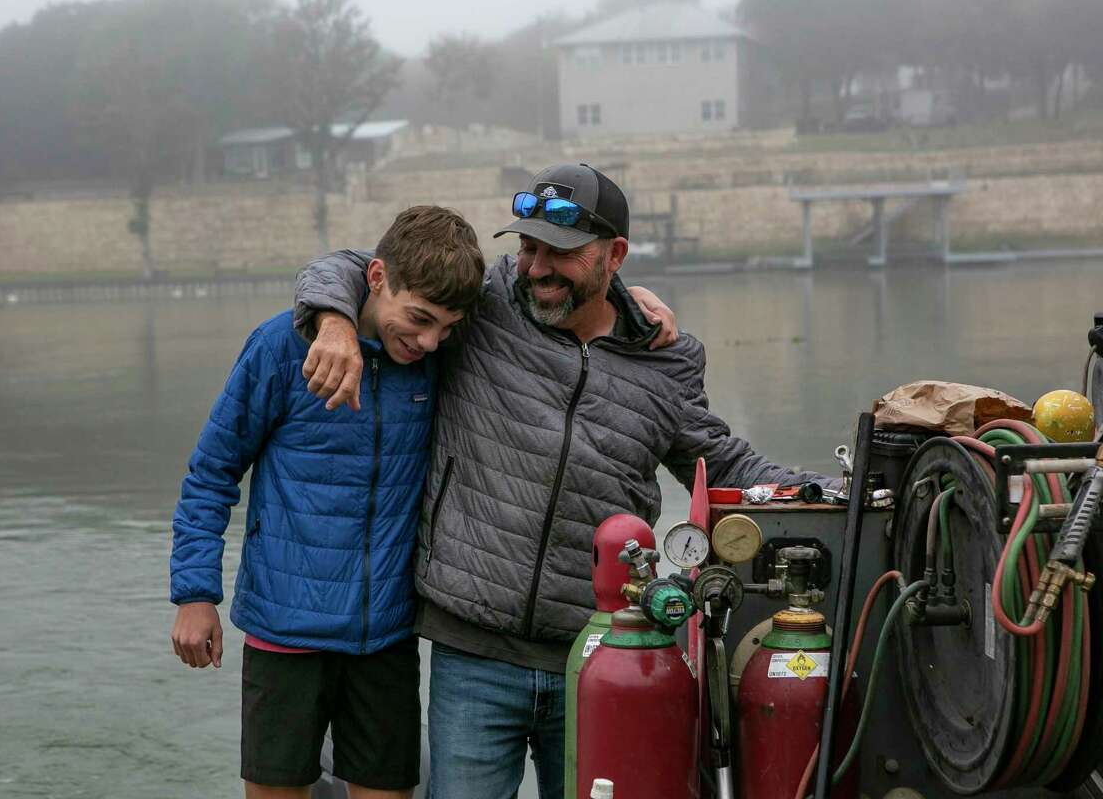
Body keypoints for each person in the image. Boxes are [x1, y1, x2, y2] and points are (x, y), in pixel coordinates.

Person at [294, 164, 835, 799]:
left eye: (561, 253)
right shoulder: (487, 304)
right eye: (529, 247)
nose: (538, 267)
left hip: (602, 655)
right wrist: (334, 323)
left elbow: (726, 464)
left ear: (615, 256)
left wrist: (834, 492)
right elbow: (354, 268)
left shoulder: (665, 362)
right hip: (473, 652)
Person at [169, 205, 485, 799]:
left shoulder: (435, 360)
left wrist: (633, 301)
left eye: (446, 328)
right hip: (284, 634)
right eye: (419, 319)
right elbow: (212, 474)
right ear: (377, 278)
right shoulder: (279, 348)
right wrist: (194, 594)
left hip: (386, 637)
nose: (428, 341)